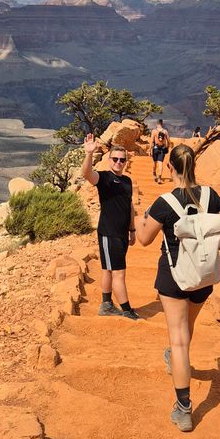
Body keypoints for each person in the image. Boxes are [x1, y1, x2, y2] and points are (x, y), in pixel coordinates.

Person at [135, 143, 220, 431]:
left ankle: (184, 408)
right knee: (187, 328)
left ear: (169, 167)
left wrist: (141, 218)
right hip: (203, 278)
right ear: (193, 167)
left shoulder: (164, 203)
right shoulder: (210, 196)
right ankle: (176, 361)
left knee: (178, 340)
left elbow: (143, 239)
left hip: (175, 277)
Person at [81, 134, 140, 320]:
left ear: (126, 162)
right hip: (109, 233)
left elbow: (129, 206)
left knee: (108, 269)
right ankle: (128, 310)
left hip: (122, 234)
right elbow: (87, 174)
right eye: (115, 159)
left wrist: (132, 230)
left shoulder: (127, 181)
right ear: (109, 160)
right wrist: (89, 154)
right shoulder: (105, 178)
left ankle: (106, 305)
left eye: (122, 160)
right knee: (119, 273)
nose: (118, 162)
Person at [150, 119, 171, 184]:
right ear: (162, 124)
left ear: (157, 124)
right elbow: (169, 141)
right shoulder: (165, 131)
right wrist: (167, 147)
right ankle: (159, 178)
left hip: (155, 148)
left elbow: (151, 141)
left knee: (154, 163)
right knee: (160, 163)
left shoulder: (154, 131)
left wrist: (150, 150)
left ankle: (154, 174)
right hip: (162, 149)